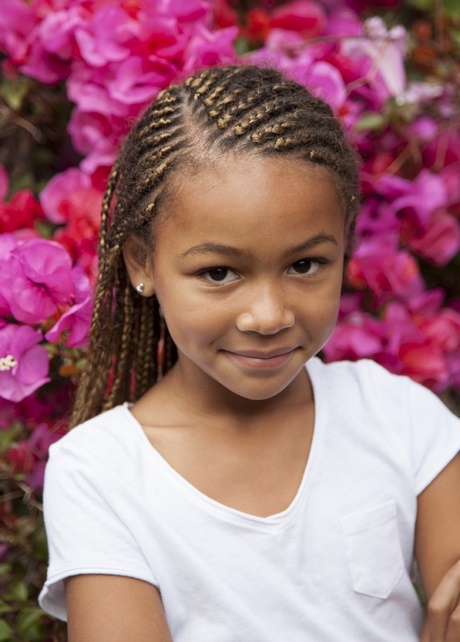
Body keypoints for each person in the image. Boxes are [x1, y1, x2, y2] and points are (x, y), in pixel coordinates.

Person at [38, 65, 460, 642]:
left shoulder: (399, 419)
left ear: (345, 249)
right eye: (219, 272)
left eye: (305, 264)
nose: (268, 316)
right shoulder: (100, 473)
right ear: (142, 263)